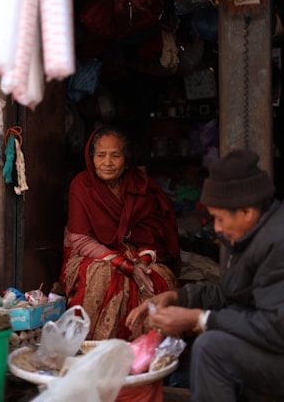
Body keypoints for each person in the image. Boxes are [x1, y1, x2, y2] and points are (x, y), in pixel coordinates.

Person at [126, 149, 284, 401]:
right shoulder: (251, 235)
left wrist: (200, 319)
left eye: (220, 219)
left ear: (247, 212)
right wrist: (178, 297)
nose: (217, 228)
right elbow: (232, 292)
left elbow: (277, 327)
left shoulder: (277, 241)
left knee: (211, 349)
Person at [59, 125, 180, 341]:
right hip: (91, 252)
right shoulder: (82, 185)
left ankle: (147, 350)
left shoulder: (141, 186)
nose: (107, 163)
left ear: (126, 160)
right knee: (104, 277)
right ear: (91, 158)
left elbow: (153, 232)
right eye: (101, 156)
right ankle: (95, 347)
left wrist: (141, 262)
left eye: (115, 156)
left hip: (135, 250)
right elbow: (81, 239)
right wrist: (125, 265)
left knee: (160, 279)